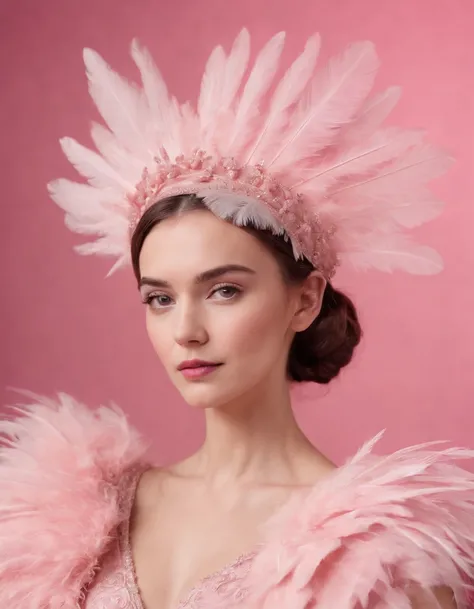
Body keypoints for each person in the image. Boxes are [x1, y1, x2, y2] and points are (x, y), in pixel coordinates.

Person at [1, 29, 473, 609]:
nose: (186, 331)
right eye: (160, 298)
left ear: (305, 300)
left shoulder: (375, 558)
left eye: (223, 290)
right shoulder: (70, 514)